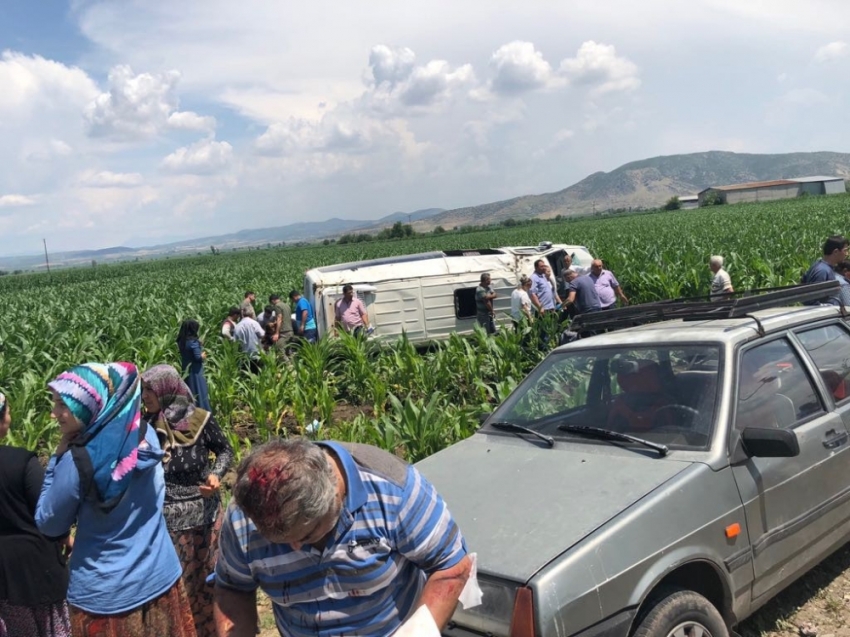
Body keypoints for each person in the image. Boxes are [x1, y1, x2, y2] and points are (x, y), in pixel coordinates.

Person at [213, 438, 472, 636]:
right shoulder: (244, 516)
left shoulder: (395, 490)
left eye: (306, 535)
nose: (295, 547)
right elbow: (233, 587)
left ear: (335, 496)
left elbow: (451, 566)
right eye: (278, 543)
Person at [35, 362, 195, 637]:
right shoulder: (144, 435)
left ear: (92, 402)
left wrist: (56, 460)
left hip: (107, 596)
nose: (54, 414)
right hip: (161, 577)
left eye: (64, 404)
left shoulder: (76, 461)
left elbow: (49, 522)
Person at [141, 365, 234, 637]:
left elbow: (225, 450)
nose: (145, 396)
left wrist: (216, 476)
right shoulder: (146, 427)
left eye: (149, 389)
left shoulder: (200, 420)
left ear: (166, 390)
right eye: (144, 389)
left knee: (210, 578)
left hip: (205, 516)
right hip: (167, 520)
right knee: (179, 585)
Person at [0, 391, 71, 637]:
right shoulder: (21, 461)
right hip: (37, 569)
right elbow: (49, 509)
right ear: (3, 421)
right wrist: (65, 536)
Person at [801, 236, 849, 306]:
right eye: (845, 250)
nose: (847, 254)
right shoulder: (822, 271)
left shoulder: (822, 266)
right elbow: (812, 300)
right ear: (835, 252)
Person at [177, 319, 211, 411]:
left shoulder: (181, 341)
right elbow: (197, 358)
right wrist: (202, 356)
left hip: (186, 369)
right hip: (195, 370)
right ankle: (202, 410)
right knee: (199, 390)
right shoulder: (193, 342)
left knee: (189, 390)